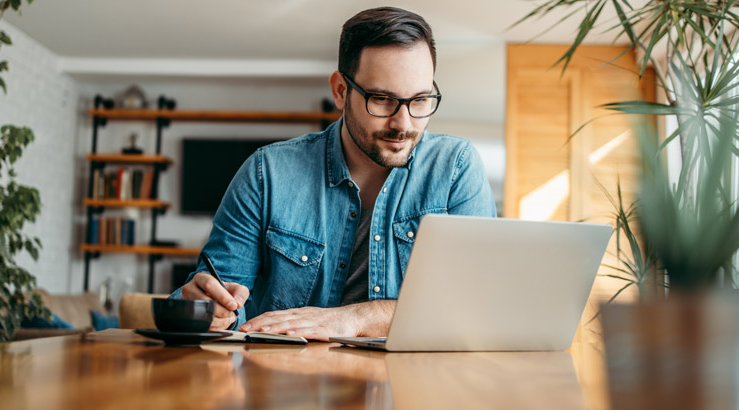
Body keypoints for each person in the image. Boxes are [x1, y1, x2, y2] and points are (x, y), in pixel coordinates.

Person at [171, 7, 496, 340]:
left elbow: (481, 304)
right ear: (341, 91)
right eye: (382, 99)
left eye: (420, 99)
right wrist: (207, 309)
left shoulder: (456, 168)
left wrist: (356, 318)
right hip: (283, 385)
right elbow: (213, 298)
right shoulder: (265, 173)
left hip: (413, 387)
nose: (404, 123)